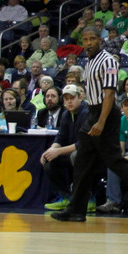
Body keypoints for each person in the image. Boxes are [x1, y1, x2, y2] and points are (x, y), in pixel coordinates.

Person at [50, 26, 128, 224]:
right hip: (93, 112)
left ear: (100, 40)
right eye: (85, 40)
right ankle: (76, 209)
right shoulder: (89, 61)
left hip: (105, 113)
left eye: (92, 39)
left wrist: (102, 122)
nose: (88, 43)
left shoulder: (108, 60)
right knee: (82, 162)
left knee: (114, 161)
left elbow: (110, 94)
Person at [40, 84, 91, 212]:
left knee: (77, 156)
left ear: (80, 97)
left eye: (72, 98)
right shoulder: (66, 114)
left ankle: (89, 198)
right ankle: (66, 197)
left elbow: (83, 143)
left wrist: (58, 151)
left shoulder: (87, 113)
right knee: (49, 160)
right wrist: (50, 150)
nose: (69, 101)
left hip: (92, 154)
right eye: (66, 98)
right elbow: (60, 137)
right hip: (74, 152)